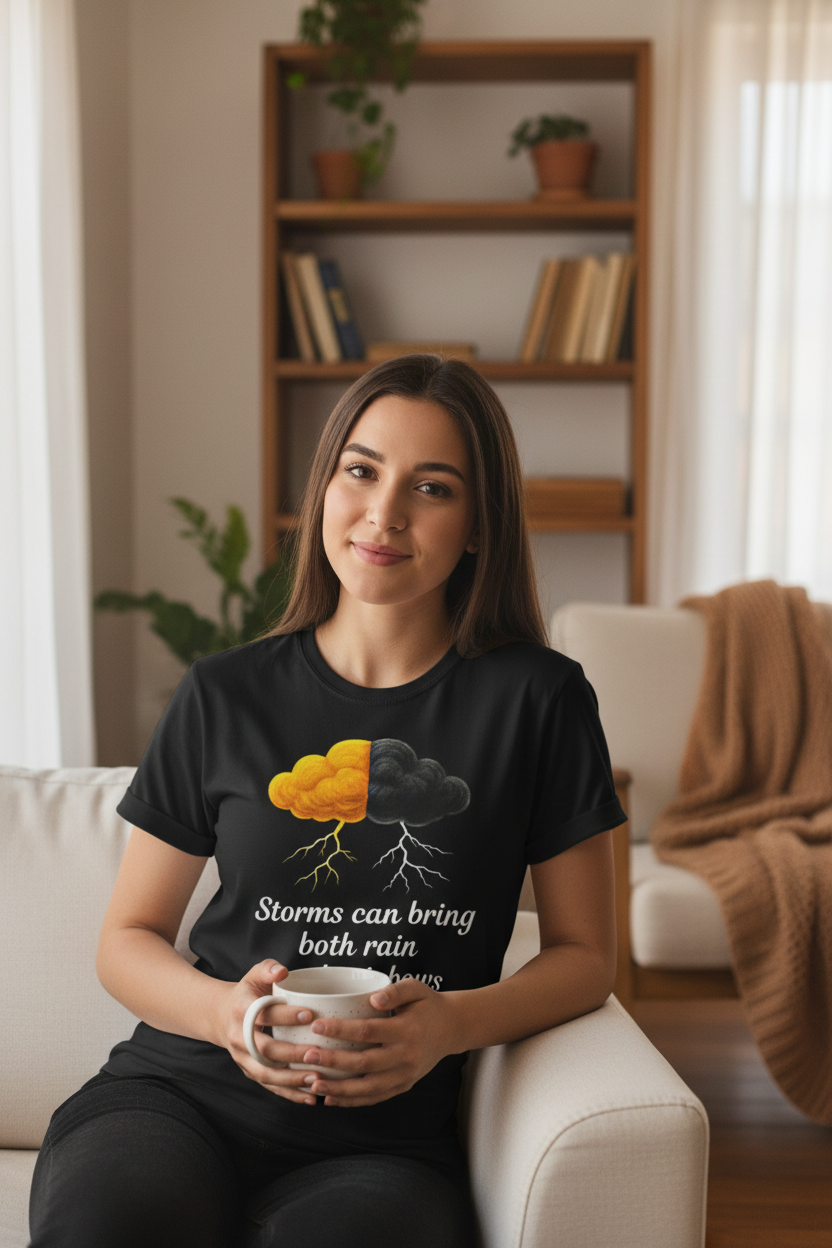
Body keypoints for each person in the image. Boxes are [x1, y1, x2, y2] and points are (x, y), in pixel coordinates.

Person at [28, 354, 626, 1248]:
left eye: (432, 487)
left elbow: (587, 955)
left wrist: (449, 1026)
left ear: (477, 526)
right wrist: (226, 1014)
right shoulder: (223, 694)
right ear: (324, 489)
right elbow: (127, 941)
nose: (384, 514)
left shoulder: (540, 701)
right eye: (362, 470)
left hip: (383, 1148)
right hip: (175, 1098)